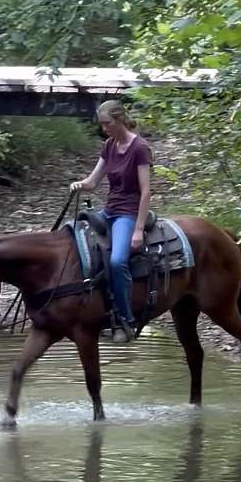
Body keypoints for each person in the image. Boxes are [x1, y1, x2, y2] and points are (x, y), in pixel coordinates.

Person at [70, 100, 152, 343]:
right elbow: (93, 181)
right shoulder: (109, 145)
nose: (104, 128)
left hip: (127, 213)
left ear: (119, 120)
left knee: (117, 262)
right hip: (109, 210)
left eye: (107, 123)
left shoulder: (140, 148)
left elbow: (146, 191)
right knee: (73, 239)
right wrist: (79, 185)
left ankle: (127, 319)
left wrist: (138, 229)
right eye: (102, 124)